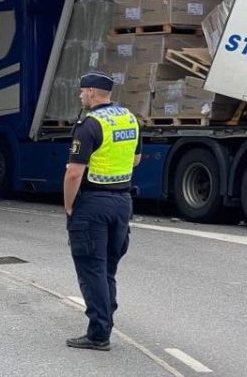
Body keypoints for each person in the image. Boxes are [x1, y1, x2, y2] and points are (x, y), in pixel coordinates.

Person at [62, 72, 141, 351]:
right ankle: (105, 320)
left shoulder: (89, 124)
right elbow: (136, 157)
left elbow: (74, 173)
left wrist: (70, 205)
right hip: (122, 203)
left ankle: (98, 333)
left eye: (83, 92)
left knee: (91, 268)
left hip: (92, 204)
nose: (81, 96)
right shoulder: (129, 119)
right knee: (107, 268)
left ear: (93, 92)